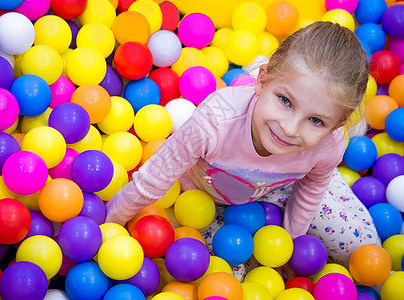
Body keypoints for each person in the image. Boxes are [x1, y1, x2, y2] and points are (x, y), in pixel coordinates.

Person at [105, 21, 381, 279]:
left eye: (316, 120)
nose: (290, 128)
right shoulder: (215, 121)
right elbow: (153, 180)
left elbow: (311, 189)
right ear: (262, 80)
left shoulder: (328, 145)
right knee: (228, 278)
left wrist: (289, 242)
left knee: (362, 250)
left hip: (284, 187)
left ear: (337, 126)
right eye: (285, 100)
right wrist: (107, 227)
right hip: (206, 200)